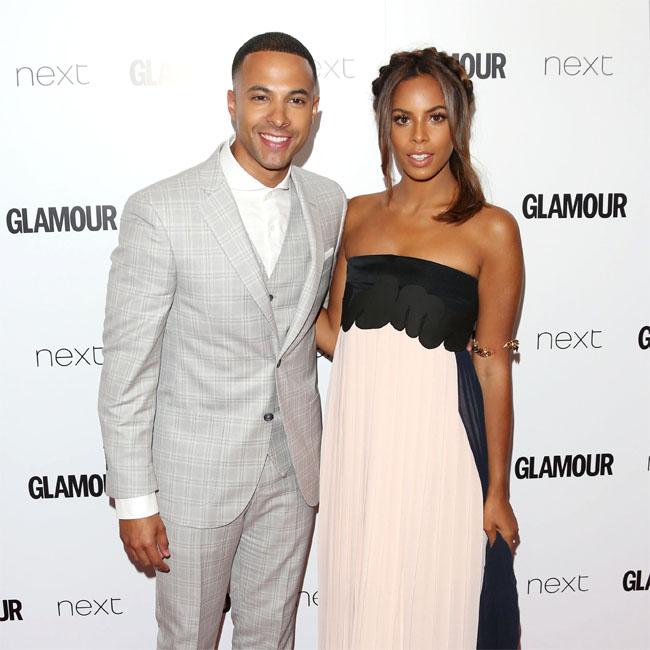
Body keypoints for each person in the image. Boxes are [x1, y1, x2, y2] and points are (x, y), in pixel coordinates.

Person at [98, 32, 346, 650]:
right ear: (232, 102)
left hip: (294, 471)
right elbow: (128, 371)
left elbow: (319, 324)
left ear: (314, 110)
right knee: (188, 638)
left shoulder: (328, 202)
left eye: (296, 100)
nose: (278, 117)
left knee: (272, 637)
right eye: (261, 97)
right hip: (194, 478)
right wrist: (135, 500)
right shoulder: (161, 209)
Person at [316, 47, 522, 649]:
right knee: (365, 612)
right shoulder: (355, 215)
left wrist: (498, 492)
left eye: (436, 117)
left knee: (433, 613)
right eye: (402, 119)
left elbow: (493, 368)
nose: (419, 137)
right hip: (361, 451)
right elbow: (335, 335)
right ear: (385, 125)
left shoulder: (491, 229)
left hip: (440, 454)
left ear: (459, 122)